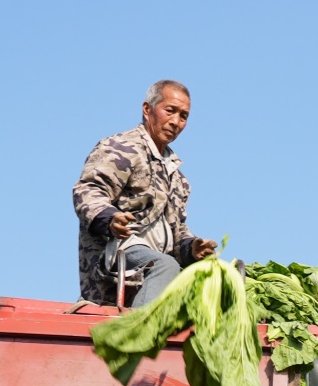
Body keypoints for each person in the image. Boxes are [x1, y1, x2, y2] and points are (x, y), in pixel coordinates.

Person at [72, 80, 218, 307]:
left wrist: (192, 248)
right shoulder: (122, 148)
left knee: (218, 277)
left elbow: (176, 232)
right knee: (165, 266)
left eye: (183, 116)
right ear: (147, 109)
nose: (176, 122)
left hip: (156, 264)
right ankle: (138, 337)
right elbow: (89, 190)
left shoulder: (177, 177)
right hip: (117, 254)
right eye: (170, 111)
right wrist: (110, 219)